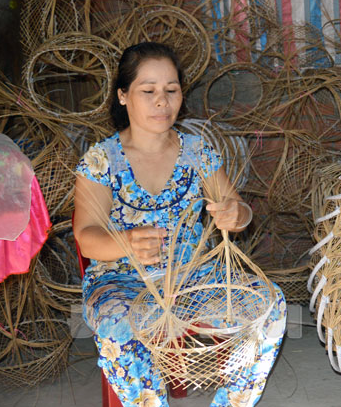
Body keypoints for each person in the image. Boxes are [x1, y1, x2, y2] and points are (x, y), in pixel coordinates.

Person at [73, 42, 286, 407]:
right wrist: (126, 242)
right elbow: (87, 238)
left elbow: (238, 209)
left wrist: (237, 214)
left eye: (171, 90)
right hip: (122, 281)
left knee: (271, 305)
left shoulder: (196, 151)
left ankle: (230, 403)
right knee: (118, 325)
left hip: (194, 277)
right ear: (123, 96)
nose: (162, 101)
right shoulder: (100, 161)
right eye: (148, 90)